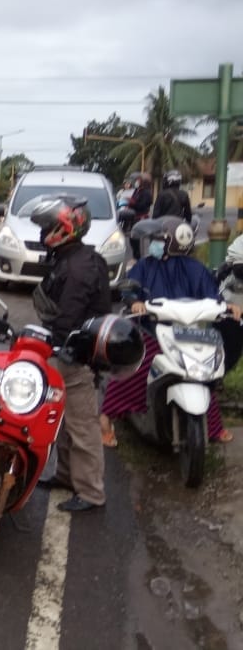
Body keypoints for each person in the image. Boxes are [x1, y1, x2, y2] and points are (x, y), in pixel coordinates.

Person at [101, 218, 236, 444]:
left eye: (159, 240)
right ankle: (105, 418)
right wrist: (135, 301)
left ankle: (212, 426)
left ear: (169, 242)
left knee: (200, 370)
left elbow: (213, 295)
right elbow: (130, 289)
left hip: (187, 332)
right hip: (152, 331)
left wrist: (226, 306)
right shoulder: (145, 266)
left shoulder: (195, 269)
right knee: (135, 367)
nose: (154, 243)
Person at [31, 195, 111, 512]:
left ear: (63, 229)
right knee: (63, 421)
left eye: (47, 227)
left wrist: (53, 344)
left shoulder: (78, 267)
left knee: (82, 426)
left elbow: (68, 316)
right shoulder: (72, 258)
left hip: (76, 356)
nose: (42, 233)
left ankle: (91, 492)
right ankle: (66, 476)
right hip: (67, 351)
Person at [128, 173, 154, 260]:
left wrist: (133, 203)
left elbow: (143, 205)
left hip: (142, 218)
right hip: (134, 216)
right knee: (133, 238)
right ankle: (137, 256)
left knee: (139, 238)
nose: (136, 182)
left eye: (138, 180)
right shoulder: (136, 191)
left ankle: (141, 257)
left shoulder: (147, 193)